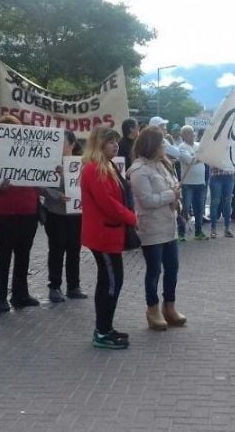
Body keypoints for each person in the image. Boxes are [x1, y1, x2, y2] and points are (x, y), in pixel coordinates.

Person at [81, 125, 138, 349]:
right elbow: (108, 204)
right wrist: (133, 218)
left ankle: (105, 327)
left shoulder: (107, 166)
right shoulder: (95, 168)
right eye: (111, 141)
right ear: (100, 144)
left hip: (109, 232)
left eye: (116, 141)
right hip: (103, 234)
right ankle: (102, 332)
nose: (116, 145)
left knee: (109, 281)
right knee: (111, 282)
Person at [128, 126, 187, 331]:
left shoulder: (163, 165)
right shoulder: (138, 170)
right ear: (151, 144)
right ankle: (152, 309)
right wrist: (171, 195)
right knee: (154, 270)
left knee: (172, 268)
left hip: (169, 225)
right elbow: (147, 200)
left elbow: (174, 187)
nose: (164, 146)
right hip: (151, 228)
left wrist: (177, 199)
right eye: (161, 142)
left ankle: (169, 306)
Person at [0, 115, 40, 312]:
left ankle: (20, 294)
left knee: (24, 255)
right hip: (3, 214)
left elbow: (43, 174)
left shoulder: (30, 153)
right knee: (4, 254)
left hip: (28, 211)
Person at [40, 130, 88, 303]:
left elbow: (86, 184)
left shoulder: (82, 163)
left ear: (72, 145)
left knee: (74, 249)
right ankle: (55, 287)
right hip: (55, 212)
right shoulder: (47, 163)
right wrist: (56, 196)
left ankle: (74, 286)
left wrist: (67, 174)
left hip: (76, 214)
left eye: (62, 143)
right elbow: (39, 185)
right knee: (56, 249)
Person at [177, 125, 208, 240]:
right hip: (187, 183)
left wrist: (198, 157)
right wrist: (200, 157)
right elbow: (190, 161)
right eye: (189, 133)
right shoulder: (181, 147)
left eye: (192, 132)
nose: (192, 134)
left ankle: (198, 232)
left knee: (199, 208)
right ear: (184, 135)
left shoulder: (198, 145)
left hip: (200, 182)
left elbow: (204, 157)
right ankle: (181, 233)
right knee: (185, 209)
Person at [209, 165, 235, 239]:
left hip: (229, 175)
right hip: (216, 175)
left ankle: (227, 228)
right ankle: (213, 229)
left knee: (228, 202)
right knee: (215, 202)